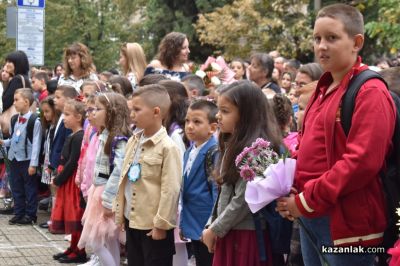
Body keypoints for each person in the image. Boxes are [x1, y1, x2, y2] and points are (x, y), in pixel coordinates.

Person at [276, 4, 396, 266]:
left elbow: (361, 162)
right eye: (317, 38)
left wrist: (307, 199)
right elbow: (308, 148)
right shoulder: (323, 88)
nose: (321, 46)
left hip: (347, 225)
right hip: (311, 213)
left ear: (357, 42)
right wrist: (289, 183)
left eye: (332, 38)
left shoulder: (370, 91)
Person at [201, 80, 282, 266]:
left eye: (225, 111)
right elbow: (223, 193)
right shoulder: (230, 143)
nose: (218, 116)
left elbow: (244, 200)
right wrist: (212, 226)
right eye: (218, 110)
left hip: (248, 236)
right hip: (229, 230)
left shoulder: (260, 150)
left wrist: (215, 229)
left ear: (247, 115)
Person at [114, 84, 182, 266]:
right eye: (131, 110)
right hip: (132, 219)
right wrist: (121, 214)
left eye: (137, 109)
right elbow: (125, 180)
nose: (132, 114)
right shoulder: (133, 140)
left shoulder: (168, 147)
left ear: (156, 112)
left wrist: (161, 224)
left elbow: (171, 190)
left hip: (153, 225)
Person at [78, 92, 131, 266]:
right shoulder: (104, 135)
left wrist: (108, 201)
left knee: (96, 242)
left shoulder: (118, 139)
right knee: (107, 241)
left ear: (112, 112)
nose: (92, 113)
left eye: (98, 109)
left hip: (106, 194)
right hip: (99, 191)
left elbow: (119, 171)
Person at [180, 99, 219, 266]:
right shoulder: (189, 151)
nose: (190, 126)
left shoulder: (214, 151)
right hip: (192, 221)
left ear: (212, 127)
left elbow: (216, 192)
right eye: (187, 121)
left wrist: (213, 225)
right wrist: (183, 223)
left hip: (206, 223)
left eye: (197, 122)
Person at [51, 99, 86, 263]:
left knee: (75, 215)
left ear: (78, 117)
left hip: (72, 182)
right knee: (70, 215)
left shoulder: (79, 136)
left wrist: (58, 179)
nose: (63, 118)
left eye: (67, 114)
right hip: (67, 181)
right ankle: (72, 246)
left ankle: (79, 251)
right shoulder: (73, 135)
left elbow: (73, 162)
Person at [0, 89, 42, 225]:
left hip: (27, 160)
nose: (14, 102)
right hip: (14, 159)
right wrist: (3, 142)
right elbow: (13, 139)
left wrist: (33, 164)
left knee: (29, 188)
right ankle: (19, 212)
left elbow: (36, 145)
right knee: (16, 187)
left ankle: (30, 215)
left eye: (16, 100)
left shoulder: (35, 121)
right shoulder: (14, 119)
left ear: (26, 102)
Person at [1, 51, 31, 136]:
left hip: (15, 120)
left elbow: (7, 100)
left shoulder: (17, 79)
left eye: (10, 62)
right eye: (6, 61)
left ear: (18, 63)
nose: (7, 64)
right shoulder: (25, 78)